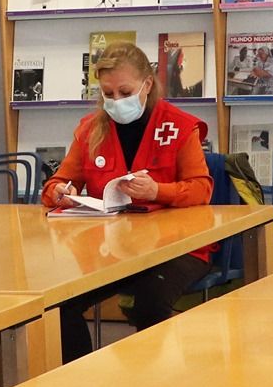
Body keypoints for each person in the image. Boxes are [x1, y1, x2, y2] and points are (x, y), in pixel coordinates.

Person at [41, 42, 213, 358]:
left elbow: (202, 188)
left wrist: (158, 191)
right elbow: (56, 183)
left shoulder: (179, 126)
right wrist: (61, 193)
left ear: (147, 85)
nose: (116, 101)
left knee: (151, 297)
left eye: (124, 91)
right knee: (59, 304)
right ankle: (81, 379)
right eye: (108, 94)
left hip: (176, 247)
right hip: (109, 250)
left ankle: (147, 383)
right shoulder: (91, 130)